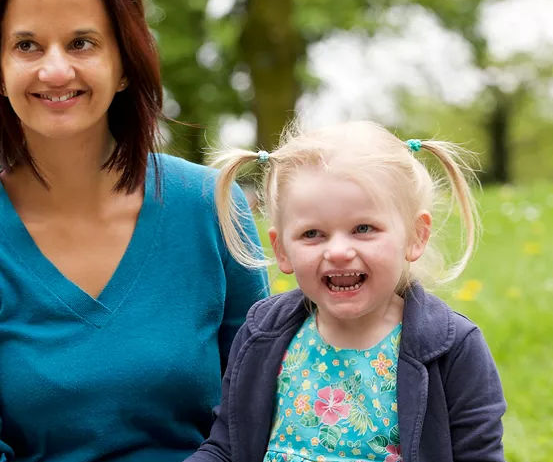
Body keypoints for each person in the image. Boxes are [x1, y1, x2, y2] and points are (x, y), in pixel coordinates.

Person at [0, 0, 269, 462]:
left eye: (82, 43)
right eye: (27, 45)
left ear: (124, 64)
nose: (55, 69)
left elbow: (257, 415)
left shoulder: (212, 207)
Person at [192, 121, 505, 462]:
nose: (338, 251)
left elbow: (479, 454)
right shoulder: (261, 334)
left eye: (363, 228)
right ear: (282, 250)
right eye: (312, 234)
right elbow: (226, 447)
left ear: (416, 236)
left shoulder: (452, 347)